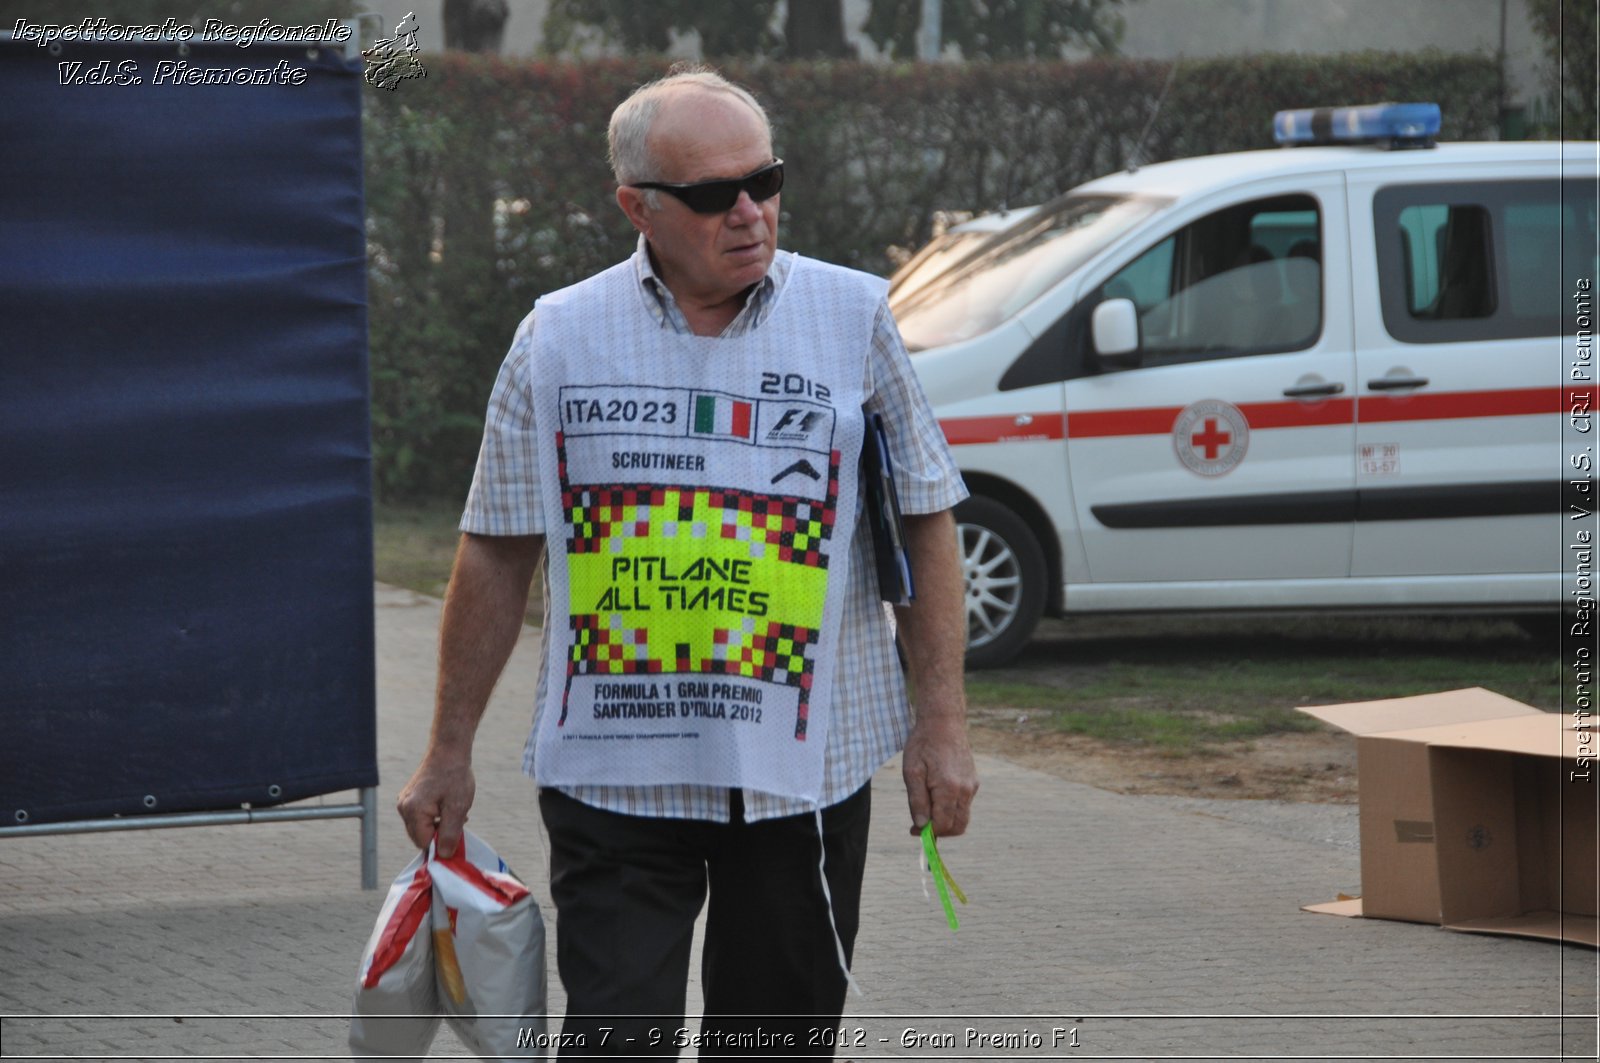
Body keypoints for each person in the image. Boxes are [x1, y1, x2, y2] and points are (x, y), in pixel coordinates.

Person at [397, 65, 978, 1058]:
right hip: (617, 781)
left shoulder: (851, 319)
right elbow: (496, 547)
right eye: (713, 195)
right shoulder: (559, 338)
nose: (749, 211)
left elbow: (924, 518)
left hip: (804, 776)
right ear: (638, 206)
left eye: (766, 179)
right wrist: (447, 748)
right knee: (615, 1042)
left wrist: (942, 727)